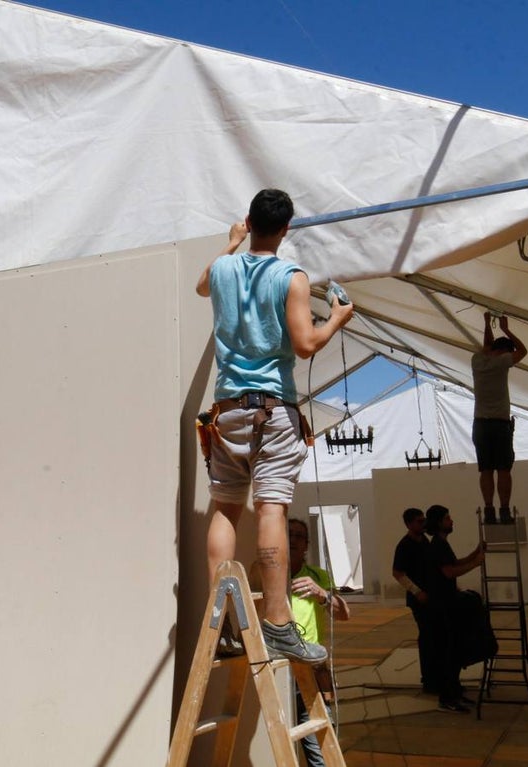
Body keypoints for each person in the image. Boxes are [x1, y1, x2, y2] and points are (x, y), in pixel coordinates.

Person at [196, 189, 353, 663]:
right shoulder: (291, 277)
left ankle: (221, 620)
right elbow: (305, 345)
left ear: (248, 222)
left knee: (224, 509)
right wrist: (339, 319)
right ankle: (280, 623)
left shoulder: (224, 269)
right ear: (286, 229)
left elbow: (202, 285)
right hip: (272, 408)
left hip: (226, 411)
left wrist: (230, 243)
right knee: (271, 511)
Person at [288, 518, 349, 767]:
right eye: (288, 534)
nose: (292, 539)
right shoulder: (265, 573)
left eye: (299, 536)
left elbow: (344, 614)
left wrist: (322, 594)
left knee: (320, 748)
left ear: (306, 545)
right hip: (276, 670)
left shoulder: (318, 576)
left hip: (311, 672)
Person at [423, 504, 485, 713]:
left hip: (448, 605)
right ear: (440, 522)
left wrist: (474, 554)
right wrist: (476, 564)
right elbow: (450, 572)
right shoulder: (438, 545)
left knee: (454, 651)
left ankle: (454, 692)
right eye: (448, 518)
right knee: (448, 653)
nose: (452, 521)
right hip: (442, 608)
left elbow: (454, 563)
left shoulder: (442, 544)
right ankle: (447, 698)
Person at [471, 312, 527, 524]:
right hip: (500, 424)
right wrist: (506, 329)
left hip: (480, 424)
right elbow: (523, 351)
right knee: (504, 469)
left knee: (485, 469)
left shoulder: (477, 361)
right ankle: (504, 509)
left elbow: (487, 346)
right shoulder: (503, 361)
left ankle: (488, 508)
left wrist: (486, 322)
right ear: (504, 350)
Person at [391, 507, 437, 693]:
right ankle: (428, 679)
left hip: (430, 596)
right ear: (409, 524)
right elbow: (397, 573)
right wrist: (416, 591)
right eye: (419, 521)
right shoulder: (405, 545)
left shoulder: (424, 541)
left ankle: (435, 675)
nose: (423, 523)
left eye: (423, 520)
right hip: (419, 599)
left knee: (433, 636)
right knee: (427, 637)